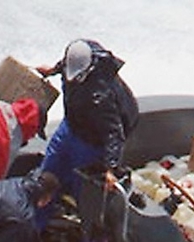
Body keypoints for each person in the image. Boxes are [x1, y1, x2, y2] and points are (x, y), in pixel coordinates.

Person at [35, 39, 139, 211]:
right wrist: (53, 70)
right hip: (70, 126)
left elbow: (114, 134)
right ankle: (39, 216)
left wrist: (110, 168)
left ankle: (84, 226)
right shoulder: (78, 55)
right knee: (48, 170)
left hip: (92, 141)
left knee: (82, 189)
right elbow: (66, 64)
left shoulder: (100, 96)